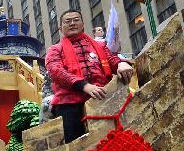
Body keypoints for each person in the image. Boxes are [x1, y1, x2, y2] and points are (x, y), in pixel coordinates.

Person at [45, 10, 135, 143]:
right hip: (70, 102)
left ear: (83, 24)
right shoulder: (55, 49)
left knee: (119, 137)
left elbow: (111, 59)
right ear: (60, 28)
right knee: (77, 145)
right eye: (67, 21)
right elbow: (56, 71)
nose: (72, 23)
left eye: (76, 20)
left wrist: (121, 64)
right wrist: (84, 86)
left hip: (103, 95)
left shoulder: (100, 45)